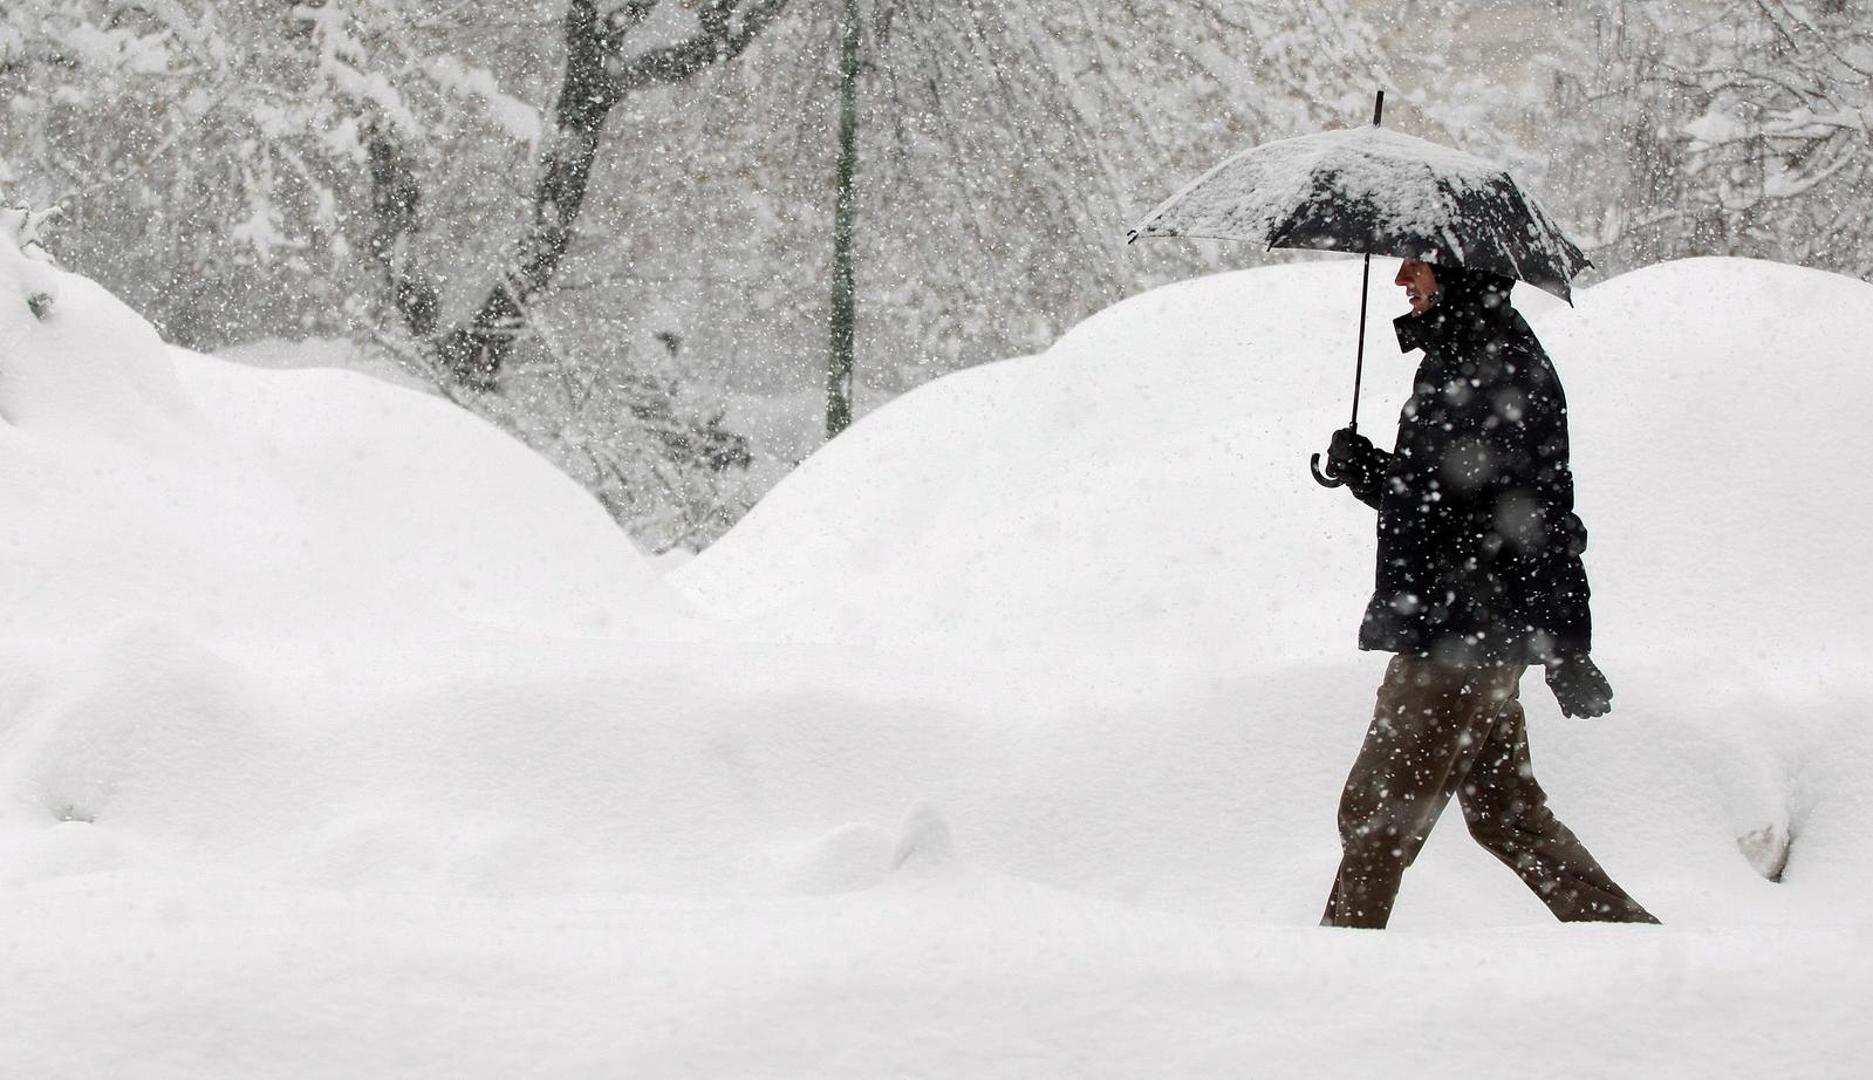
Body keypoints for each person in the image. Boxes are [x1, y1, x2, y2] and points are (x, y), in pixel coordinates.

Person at [1317, 257, 1658, 930]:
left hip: (1460, 633)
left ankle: (1333, 973)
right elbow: (1449, 496)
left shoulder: (1493, 361)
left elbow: (1532, 517)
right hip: (1474, 629)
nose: (1399, 279)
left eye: (1415, 264)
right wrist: (1371, 474)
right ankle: (1630, 943)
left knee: (1376, 815)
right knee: (1507, 816)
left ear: (1457, 273)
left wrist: (1564, 646)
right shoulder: (1464, 351)